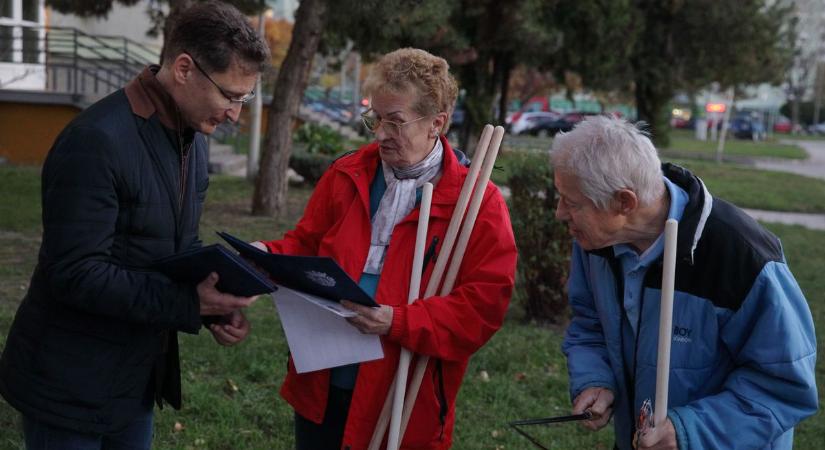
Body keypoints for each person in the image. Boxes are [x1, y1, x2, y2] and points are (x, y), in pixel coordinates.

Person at [0, 2, 269, 449]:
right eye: (230, 95)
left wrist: (216, 306)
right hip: (70, 385)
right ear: (184, 68)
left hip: (137, 378)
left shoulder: (191, 137)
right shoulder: (96, 140)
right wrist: (187, 303)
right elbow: (75, 273)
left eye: (245, 98)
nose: (235, 113)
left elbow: (168, 248)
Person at [251, 48, 517, 449]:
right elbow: (303, 246)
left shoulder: (477, 203)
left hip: (405, 396)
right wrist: (263, 253)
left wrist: (396, 321)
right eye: (374, 118)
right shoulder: (347, 174)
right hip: (323, 381)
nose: (379, 134)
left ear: (436, 124)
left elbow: (482, 308)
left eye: (394, 122)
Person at [554, 116, 818, 449]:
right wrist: (596, 379)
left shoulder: (742, 257)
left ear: (624, 202)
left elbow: (784, 385)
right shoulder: (596, 242)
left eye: (573, 203)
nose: (560, 213)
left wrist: (688, 431)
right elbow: (590, 323)